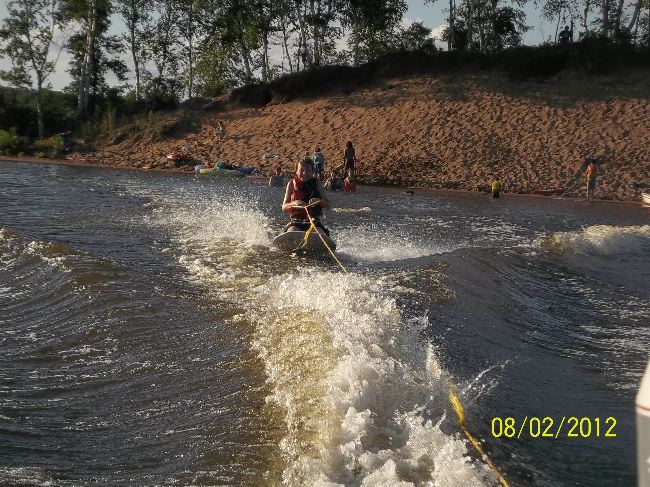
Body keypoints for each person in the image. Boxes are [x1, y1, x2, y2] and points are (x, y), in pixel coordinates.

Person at [282, 158, 330, 235]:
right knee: (292, 232)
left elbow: (328, 205)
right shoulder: (291, 184)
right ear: (296, 171)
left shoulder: (317, 184)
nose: (305, 173)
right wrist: (294, 203)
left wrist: (318, 201)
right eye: (301, 170)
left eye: (308, 170)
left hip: (313, 221)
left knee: (320, 234)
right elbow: (284, 208)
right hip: (296, 221)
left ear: (312, 172)